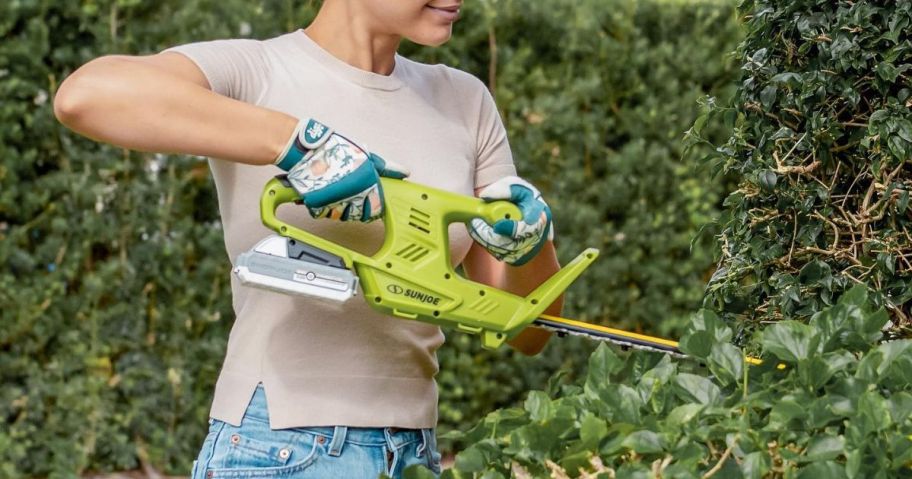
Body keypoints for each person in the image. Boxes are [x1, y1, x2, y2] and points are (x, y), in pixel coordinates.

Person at [54, 0, 563, 477]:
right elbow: (85, 96)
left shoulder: (464, 100)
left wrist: (530, 244)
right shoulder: (258, 71)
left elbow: (530, 331)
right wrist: (295, 144)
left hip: (411, 452)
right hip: (280, 447)